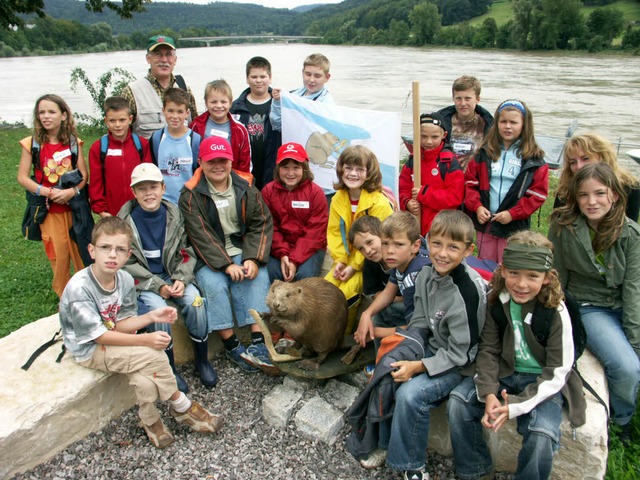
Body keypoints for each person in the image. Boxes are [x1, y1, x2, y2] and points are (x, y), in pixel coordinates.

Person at [58, 216, 223, 449]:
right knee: (155, 355)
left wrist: (151, 317)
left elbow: (122, 322)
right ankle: (182, 407)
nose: (112, 255)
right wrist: (145, 339)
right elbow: (99, 336)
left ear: (128, 256)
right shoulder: (80, 287)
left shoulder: (124, 279)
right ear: (92, 250)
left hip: (112, 335)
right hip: (90, 347)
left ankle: (150, 420)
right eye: (105, 248)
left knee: (145, 383)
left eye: (120, 250)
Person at [350, 209, 486, 480]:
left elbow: (463, 353)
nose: (442, 254)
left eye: (453, 247)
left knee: (410, 395)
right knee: (388, 372)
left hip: (461, 364)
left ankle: (411, 465)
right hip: (433, 347)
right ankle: (382, 443)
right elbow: (421, 320)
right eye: (436, 244)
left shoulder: (467, 292)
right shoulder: (426, 274)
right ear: (426, 242)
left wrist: (419, 365)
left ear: (468, 250)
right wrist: (403, 348)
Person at [447, 230, 586, 480]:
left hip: (541, 380)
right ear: (503, 271)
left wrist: (515, 406)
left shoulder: (556, 311)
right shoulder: (496, 301)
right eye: (514, 274)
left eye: (532, 276)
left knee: (542, 434)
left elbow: (557, 372)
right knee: (459, 401)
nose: (521, 284)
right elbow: (488, 350)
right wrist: (489, 393)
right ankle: (474, 468)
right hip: (505, 372)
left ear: (546, 278)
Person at [549, 162, 640, 442]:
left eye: (600, 193)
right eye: (584, 195)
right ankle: (622, 420)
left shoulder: (630, 233)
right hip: (592, 307)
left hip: (624, 302)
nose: (592, 202)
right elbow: (557, 277)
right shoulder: (564, 226)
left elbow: (634, 289)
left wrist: (634, 336)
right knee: (627, 366)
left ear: (614, 195)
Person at [178, 136, 278, 375]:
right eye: (212, 161)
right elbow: (199, 234)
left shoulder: (245, 186)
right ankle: (232, 344)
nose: (218, 166)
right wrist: (225, 265)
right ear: (201, 162)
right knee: (214, 285)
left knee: (258, 277)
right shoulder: (190, 195)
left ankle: (257, 342)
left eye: (223, 160)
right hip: (209, 255)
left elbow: (261, 223)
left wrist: (252, 258)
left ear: (231, 162)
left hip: (242, 248)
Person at [118, 163, 217, 393]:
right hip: (146, 282)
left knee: (196, 302)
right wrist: (157, 285)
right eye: (141, 189)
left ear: (163, 188)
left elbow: (187, 250)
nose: (148, 193)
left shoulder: (175, 215)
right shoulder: (123, 223)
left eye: (153, 187)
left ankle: (202, 360)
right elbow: (127, 263)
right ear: (134, 192)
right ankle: (169, 367)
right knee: (159, 313)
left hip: (173, 275)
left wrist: (182, 277)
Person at [17, 94, 90, 298]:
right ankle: (65, 298)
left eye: (51, 112)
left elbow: (83, 176)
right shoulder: (32, 144)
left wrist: (70, 192)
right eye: (42, 112)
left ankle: (87, 295)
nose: (46, 117)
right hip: (50, 212)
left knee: (81, 252)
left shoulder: (74, 143)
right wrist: (47, 192)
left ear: (64, 115)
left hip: (74, 209)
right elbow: (22, 177)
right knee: (58, 255)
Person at [464, 99, 548, 263]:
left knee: (509, 264)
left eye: (513, 122)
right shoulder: (484, 153)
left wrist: (512, 214)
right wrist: (477, 207)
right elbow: (470, 184)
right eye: (503, 121)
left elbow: (537, 194)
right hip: (486, 222)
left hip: (513, 225)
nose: (507, 126)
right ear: (496, 124)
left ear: (524, 125)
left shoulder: (533, 159)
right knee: (485, 263)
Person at [324, 145, 394, 332]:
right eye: (348, 168)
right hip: (345, 260)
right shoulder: (338, 198)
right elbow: (334, 233)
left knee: (344, 295)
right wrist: (340, 261)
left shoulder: (380, 203)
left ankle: (342, 335)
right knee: (325, 290)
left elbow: (380, 243)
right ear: (341, 170)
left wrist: (354, 266)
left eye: (359, 169)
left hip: (369, 262)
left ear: (369, 173)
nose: (353, 174)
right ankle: (321, 333)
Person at [354, 212, 430, 351]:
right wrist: (366, 314)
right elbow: (388, 292)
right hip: (417, 322)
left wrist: (376, 332)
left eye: (398, 244)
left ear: (415, 246)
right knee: (379, 312)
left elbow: (420, 329)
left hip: (434, 337)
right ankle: (381, 361)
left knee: (380, 322)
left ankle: (388, 365)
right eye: (385, 244)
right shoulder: (401, 261)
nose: (389, 251)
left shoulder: (417, 276)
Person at [261, 142, 328, 283]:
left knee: (305, 277)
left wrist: (295, 260)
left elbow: (315, 232)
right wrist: (283, 254)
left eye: (296, 168)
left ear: (304, 168)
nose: (290, 173)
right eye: (285, 167)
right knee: (271, 274)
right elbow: (269, 227)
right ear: (278, 169)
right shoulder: (268, 191)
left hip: (309, 248)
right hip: (278, 248)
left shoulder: (316, 193)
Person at [399, 112, 465, 235]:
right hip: (414, 226)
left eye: (434, 137)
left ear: (443, 135)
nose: (429, 142)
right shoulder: (413, 161)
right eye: (423, 136)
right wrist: (407, 202)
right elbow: (402, 188)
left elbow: (455, 198)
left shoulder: (449, 162)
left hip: (441, 227)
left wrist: (424, 193)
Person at [121, 34, 197, 139]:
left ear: (175, 60)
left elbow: (195, 127)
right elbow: (121, 134)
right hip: (146, 155)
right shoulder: (131, 91)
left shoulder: (184, 89)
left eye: (168, 54)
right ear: (148, 58)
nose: (164, 60)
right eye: (158, 54)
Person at [88, 96, 152, 218]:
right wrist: (101, 210)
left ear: (130, 119)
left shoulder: (141, 145)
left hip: (139, 208)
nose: (117, 125)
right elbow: (96, 182)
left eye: (122, 120)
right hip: (112, 212)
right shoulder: (98, 148)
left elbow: (147, 177)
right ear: (106, 121)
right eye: (112, 121)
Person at [554, 133, 639, 221]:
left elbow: (631, 226)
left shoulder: (629, 186)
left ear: (603, 157)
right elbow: (557, 225)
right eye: (573, 162)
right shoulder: (565, 189)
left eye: (585, 159)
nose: (579, 166)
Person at [230, 56, 281, 189]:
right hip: (245, 168)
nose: (258, 81)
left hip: (272, 167)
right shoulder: (235, 107)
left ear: (270, 78)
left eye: (263, 76)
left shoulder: (280, 105)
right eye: (254, 77)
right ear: (247, 79)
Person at [149, 87, 201, 204]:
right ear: (163, 110)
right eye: (170, 111)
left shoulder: (195, 140)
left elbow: (198, 173)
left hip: (189, 201)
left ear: (187, 113)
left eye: (180, 111)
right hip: (163, 202)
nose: (175, 116)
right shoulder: (157, 138)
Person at [190, 79, 251, 174]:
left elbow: (245, 160)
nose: (219, 106)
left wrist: (242, 184)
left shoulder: (240, 129)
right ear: (206, 103)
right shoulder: (196, 125)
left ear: (231, 103)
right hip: (203, 178)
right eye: (213, 102)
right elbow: (191, 155)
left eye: (223, 102)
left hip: (231, 179)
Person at [437, 75, 493, 171]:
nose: (463, 103)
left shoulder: (488, 124)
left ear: (477, 100)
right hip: (447, 177)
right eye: (458, 98)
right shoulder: (441, 122)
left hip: (474, 179)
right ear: (453, 98)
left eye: (467, 99)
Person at [269, 52, 334, 132]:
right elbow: (277, 125)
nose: (311, 80)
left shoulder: (327, 103)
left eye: (317, 76)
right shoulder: (293, 95)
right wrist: (278, 101)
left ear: (327, 77)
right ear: (302, 72)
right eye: (308, 74)